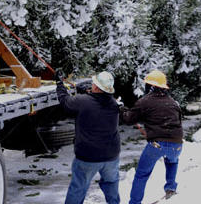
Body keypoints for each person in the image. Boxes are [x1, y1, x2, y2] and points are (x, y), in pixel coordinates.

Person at [56, 71, 121, 204]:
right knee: (111, 185)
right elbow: (97, 102)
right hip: (111, 156)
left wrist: (59, 83)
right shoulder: (114, 104)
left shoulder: (83, 101)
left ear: (97, 88)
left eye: (94, 83)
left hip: (88, 157)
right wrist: (87, 93)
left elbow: (65, 101)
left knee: (78, 188)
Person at [120, 70, 183, 204]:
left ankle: (135, 202)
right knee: (172, 161)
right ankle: (171, 188)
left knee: (141, 175)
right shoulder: (173, 102)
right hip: (177, 144)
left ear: (150, 86)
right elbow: (177, 122)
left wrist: (121, 109)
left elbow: (129, 119)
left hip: (157, 145)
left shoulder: (145, 101)